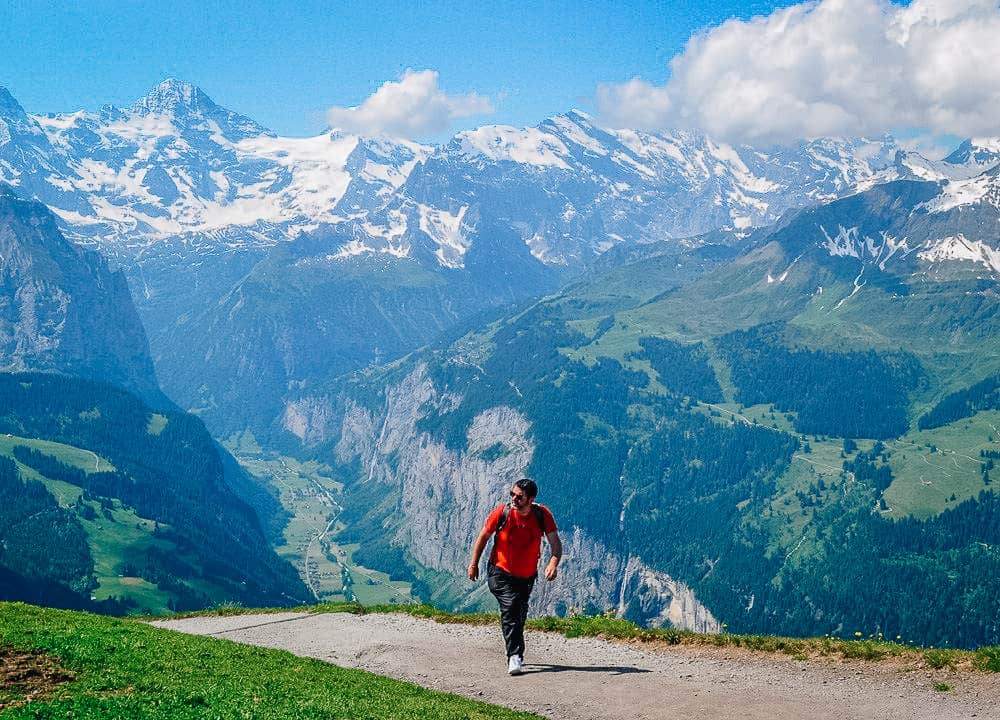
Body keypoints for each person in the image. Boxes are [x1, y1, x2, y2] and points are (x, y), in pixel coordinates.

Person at [468, 478, 562, 676]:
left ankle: (516, 651)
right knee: (510, 608)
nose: (514, 499)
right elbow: (483, 537)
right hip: (499, 572)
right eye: (512, 494)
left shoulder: (542, 515)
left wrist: (553, 563)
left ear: (531, 499)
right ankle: (515, 657)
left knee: (519, 612)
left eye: (519, 497)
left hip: (526, 575)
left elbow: (555, 543)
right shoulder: (501, 513)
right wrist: (474, 564)